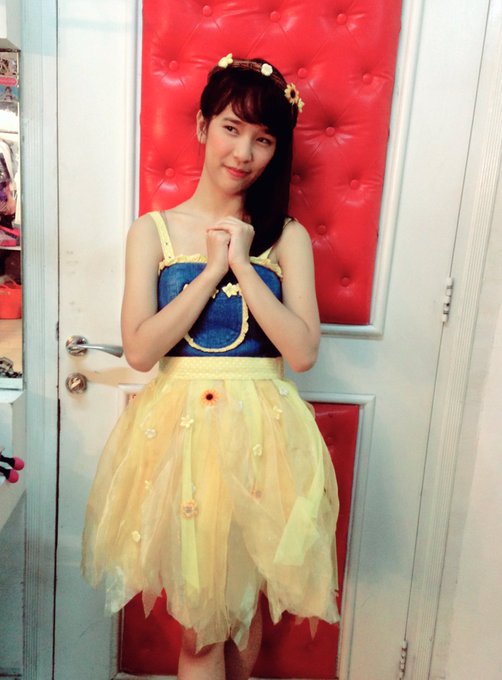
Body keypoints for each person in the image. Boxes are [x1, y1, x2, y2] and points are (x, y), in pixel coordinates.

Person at [82, 54, 340, 680]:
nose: (243, 152)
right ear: (203, 127)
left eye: (263, 139)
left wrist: (246, 264)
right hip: (181, 439)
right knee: (202, 630)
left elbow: (302, 352)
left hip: (262, 438)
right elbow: (141, 350)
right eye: (231, 128)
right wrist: (211, 270)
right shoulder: (153, 231)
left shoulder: (287, 237)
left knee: (242, 615)